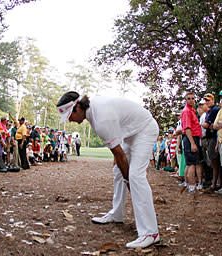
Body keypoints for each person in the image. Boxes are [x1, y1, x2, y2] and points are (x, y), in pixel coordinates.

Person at [57, 91, 160, 248]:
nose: (70, 120)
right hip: (130, 133)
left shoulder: (101, 120)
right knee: (118, 171)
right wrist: (122, 172)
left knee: (135, 176)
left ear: (78, 107)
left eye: (70, 115)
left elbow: (120, 155)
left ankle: (150, 232)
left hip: (144, 130)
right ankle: (117, 214)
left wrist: (129, 182)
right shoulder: (92, 111)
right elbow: (117, 153)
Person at [181, 92, 202, 193]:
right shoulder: (186, 111)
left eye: (193, 98)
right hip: (190, 138)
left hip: (192, 138)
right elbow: (187, 128)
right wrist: (193, 143)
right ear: (186, 100)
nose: (191, 100)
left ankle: (189, 185)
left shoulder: (192, 110)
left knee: (190, 164)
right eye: (189, 98)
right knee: (192, 164)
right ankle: (192, 186)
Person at [202, 93, 221, 190]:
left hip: (214, 138)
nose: (207, 102)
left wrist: (210, 125)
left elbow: (206, 125)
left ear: (213, 100)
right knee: (213, 161)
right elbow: (207, 125)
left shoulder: (215, 110)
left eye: (208, 100)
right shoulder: (209, 111)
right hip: (209, 137)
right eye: (206, 100)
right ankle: (215, 182)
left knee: (215, 161)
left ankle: (215, 183)